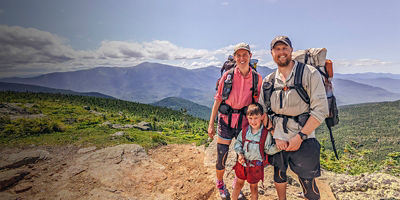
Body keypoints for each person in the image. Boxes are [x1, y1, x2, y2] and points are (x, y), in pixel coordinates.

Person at [258, 36, 329, 200]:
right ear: (271, 53)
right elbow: (263, 111)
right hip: (278, 138)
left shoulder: (309, 74)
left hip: (304, 137)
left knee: (307, 180)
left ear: (291, 50)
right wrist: (274, 133)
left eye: (284, 48)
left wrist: (300, 137)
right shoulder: (268, 81)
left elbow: (320, 110)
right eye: (277, 49)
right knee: (279, 174)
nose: (281, 52)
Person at [208, 42, 263, 199]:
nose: (242, 58)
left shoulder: (256, 78)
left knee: (243, 158)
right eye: (238, 55)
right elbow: (218, 100)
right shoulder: (228, 76)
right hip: (225, 121)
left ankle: (236, 185)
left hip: (244, 124)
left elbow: (258, 103)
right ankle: (220, 183)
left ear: (250, 56)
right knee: (221, 157)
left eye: (245, 55)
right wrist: (211, 124)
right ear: (234, 57)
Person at [231, 103, 270, 200]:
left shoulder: (265, 133)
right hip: (242, 163)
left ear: (262, 117)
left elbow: (268, 148)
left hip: (255, 166)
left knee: (254, 187)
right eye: (250, 118)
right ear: (247, 118)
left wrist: (279, 147)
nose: (253, 121)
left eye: (256, 118)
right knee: (238, 185)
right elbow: (238, 143)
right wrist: (240, 154)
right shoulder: (244, 131)